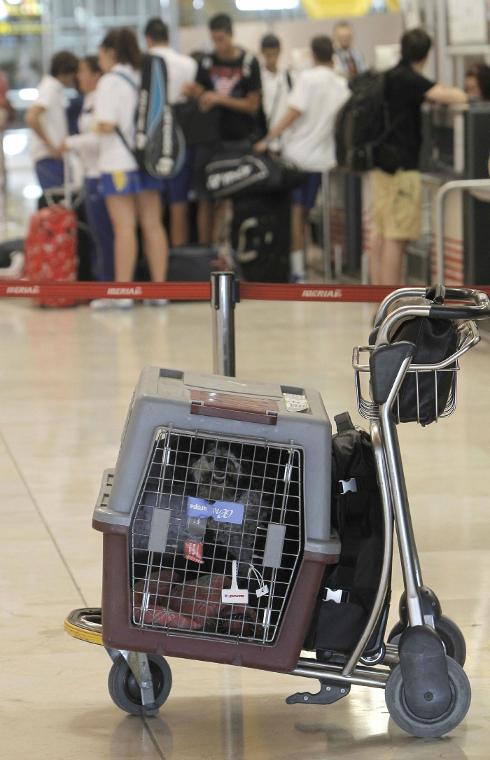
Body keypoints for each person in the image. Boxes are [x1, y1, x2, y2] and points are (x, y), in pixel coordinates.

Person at [370, 28, 467, 286]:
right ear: (426, 53)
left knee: (380, 236)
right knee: (396, 239)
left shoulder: (388, 76)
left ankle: (377, 304)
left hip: (381, 168)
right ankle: (391, 305)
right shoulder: (410, 79)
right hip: (402, 170)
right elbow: (455, 96)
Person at [256, 36, 349, 283]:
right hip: (326, 160)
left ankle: (298, 270)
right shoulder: (342, 84)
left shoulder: (306, 79)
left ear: (313, 54)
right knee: (321, 212)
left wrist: (267, 138)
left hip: (298, 158)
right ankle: (332, 266)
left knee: (296, 214)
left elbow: (293, 112)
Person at [93, 27, 169, 309]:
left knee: (124, 226)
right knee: (153, 224)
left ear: (110, 53)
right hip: (148, 160)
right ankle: (159, 289)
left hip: (117, 163)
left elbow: (106, 124)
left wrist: (90, 126)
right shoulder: (144, 75)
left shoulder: (109, 81)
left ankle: (123, 293)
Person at [184, 13, 263, 244]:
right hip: (209, 139)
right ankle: (205, 252)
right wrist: (196, 93)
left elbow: (252, 104)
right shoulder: (207, 62)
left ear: (231, 34)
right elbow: (201, 92)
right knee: (204, 198)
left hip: (239, 139)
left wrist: (218, 98)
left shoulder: (248, 62)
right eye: (214, 39)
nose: (218, 44)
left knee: (238, 197)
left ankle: (238, 249)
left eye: (221, 39)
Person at [144, 17, 197, 247]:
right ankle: (178, 262)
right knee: (179, 203)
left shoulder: (146, 62)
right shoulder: (188, 64)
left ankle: (155, 263)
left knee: (151, 207)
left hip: (152, 135)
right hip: (182, 136)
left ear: (148, 39)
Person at [63, 56, 114, 282]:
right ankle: (100, 280)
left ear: (96, 75)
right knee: (96, 234)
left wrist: (70, 143)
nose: (78, 76)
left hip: (100, 173)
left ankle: (109, 283)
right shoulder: (88, 100)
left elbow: (98, 139)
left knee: (104, 234)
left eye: (83, 71)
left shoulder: (100, 101)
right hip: (89, 173)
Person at [26, 51, 78, 195]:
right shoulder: (50, 88)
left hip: (52, 156)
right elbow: (31, 117)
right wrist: (50, 147)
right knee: (57, 207)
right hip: (48, 158)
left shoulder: (53, 88)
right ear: (65, 72)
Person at [259, 33, 293, 153]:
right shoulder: (258, 78)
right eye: (269, 55)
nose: (272, 59)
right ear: (262, 52)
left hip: (287, 139)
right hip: (265, 137)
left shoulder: (288, 77)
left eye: (275, 54)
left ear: (280, 52)